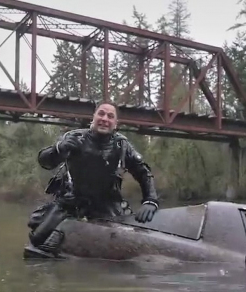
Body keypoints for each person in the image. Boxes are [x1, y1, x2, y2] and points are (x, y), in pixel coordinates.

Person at [27, 101, 159, 255]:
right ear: (93, 117)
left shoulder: (121, 145)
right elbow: (45, 162)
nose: (105, 119)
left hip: (108, 203)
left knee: (130, 243)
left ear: (115, 124)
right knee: (37, 240)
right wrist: (59, 149)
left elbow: (143, 172)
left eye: (110, 116)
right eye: (101, 114)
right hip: (72, 201)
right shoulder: (74, 137)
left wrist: (151, 200)